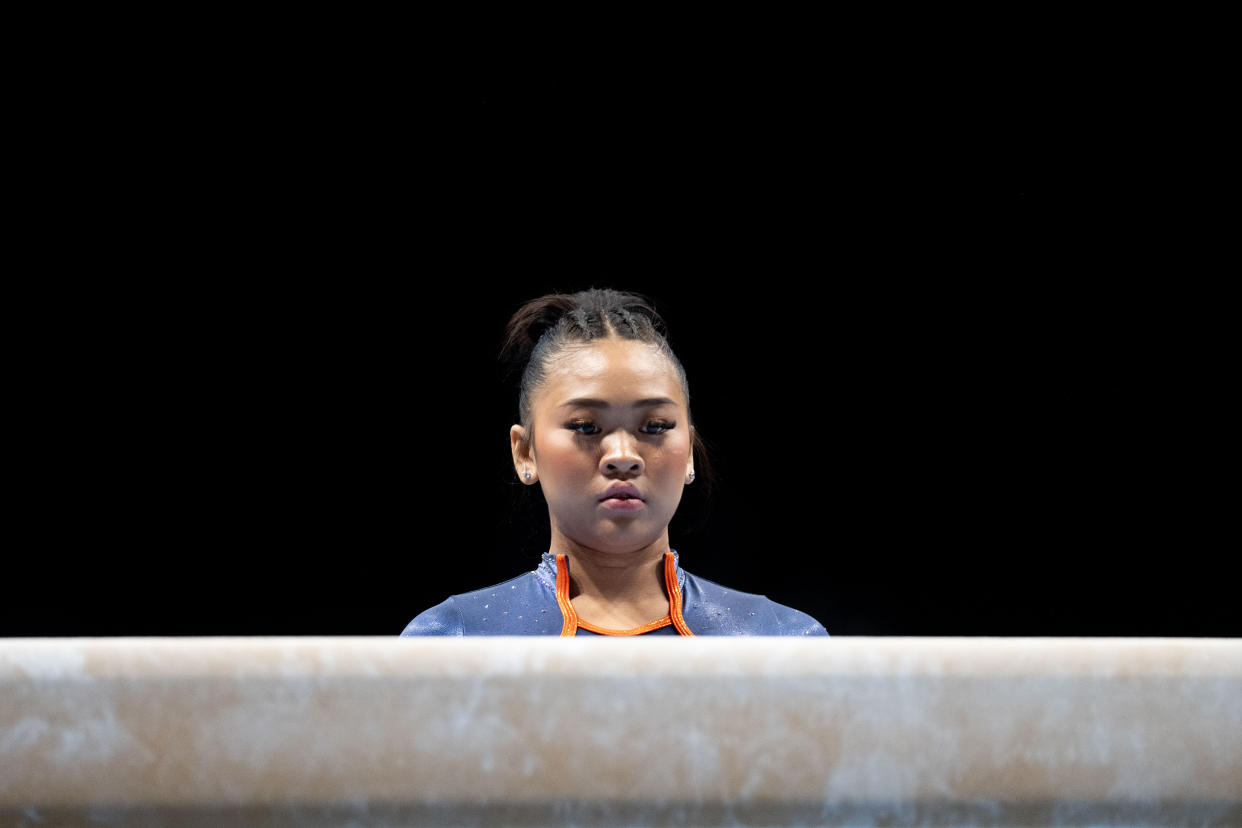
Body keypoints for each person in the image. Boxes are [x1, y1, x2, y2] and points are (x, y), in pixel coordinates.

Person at [401, 289, 828, 636]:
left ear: (691, 452)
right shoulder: (453, 637)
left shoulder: (782, 639)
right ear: (525, 452)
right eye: (586, 427)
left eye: (656, 425)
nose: (623, 457)